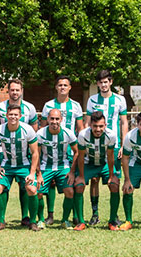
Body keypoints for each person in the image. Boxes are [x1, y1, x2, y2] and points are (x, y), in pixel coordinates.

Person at [0, 79, 38, 227]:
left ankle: (29, 218)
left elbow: (34, 137)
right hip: (6, 158)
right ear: (8, 91)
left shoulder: (30, 109)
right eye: (12, 90)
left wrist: (33, 171)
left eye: (17, 90)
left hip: (24, 157)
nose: (15, 92)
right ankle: (0, 219)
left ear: (21, 91)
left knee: (27, 187)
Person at [85, 70, 128, 226]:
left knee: (113, 181)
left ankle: (113, 216)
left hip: (114, 146)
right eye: (100, 82)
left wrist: (123, 145)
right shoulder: (92, 100)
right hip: (95, 146)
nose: (103, 85)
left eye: (106, 82)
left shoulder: (120, 99)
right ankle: (95, 214)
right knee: (94, 180)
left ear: (110, 82)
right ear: (97, 84)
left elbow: (124, 122)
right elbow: (87, 122)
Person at [40, 75, 84, 225]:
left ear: (70, 87)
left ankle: (73, 216)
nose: (62, 88)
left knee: (70, 185)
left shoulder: (76, 106)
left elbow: (80, 128)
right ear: (56, 87)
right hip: (50, 150)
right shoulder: (48, 105)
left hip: (69, 151)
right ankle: (50, 215)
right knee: (49, 183)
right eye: (60, 85)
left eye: (65, 85)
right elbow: (42, 127)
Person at [75, 111, 120, 230]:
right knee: (79, 185)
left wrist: (111, 175)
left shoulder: (111, 135)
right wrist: (80, 175)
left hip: (104, 163)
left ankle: (113, 220)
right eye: (95, 126)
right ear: (90, 125)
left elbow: (110, 156)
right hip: (88, 163)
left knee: (114, 184)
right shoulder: (83, 135)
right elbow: (80, 156)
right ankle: (81, 221)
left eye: (101, 126)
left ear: (105, 125)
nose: (98, 129)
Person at [35, 109, 79, 230]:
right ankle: (41, 220)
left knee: (70, 191)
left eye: (57, 119)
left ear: (61, 119)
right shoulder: (40, 133)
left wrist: (71, 172)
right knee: (38, 191)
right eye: (52, 119)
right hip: (45, 166)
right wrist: (38, 174)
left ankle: (65, 220)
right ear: (47, 119)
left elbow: (77, 152)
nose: (54, 122)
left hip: (62, 166)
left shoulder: (68, 133)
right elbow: (36, 155)